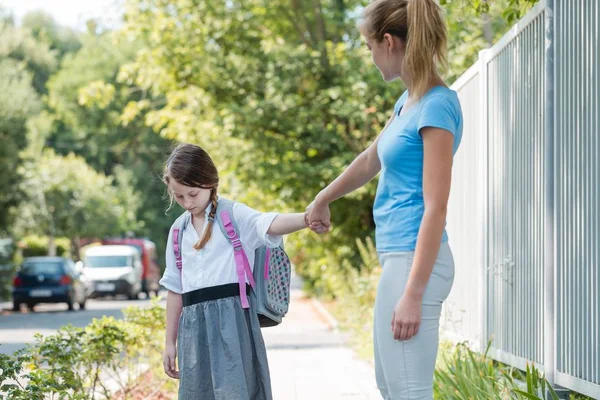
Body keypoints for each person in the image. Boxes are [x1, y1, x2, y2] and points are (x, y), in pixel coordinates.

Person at [306, 0, 463, 398]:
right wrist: (324, 198)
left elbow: (436, 206)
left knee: (409, 391)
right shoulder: (408, 102)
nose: (370, 56)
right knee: (390, 387)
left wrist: (413, 293)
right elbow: (371, 158)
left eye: (369, 46)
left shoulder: (437, 106)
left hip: (416, 263)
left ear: (389, 42)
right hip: (400, 259)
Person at [159, 143, 307, 400]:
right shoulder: (178, 231)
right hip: (193, 329)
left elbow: (269, 223)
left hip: (232, 323)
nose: (187, 202)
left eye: (192, 194)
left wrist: (307, 218)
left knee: (237, 392)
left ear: (209, 182)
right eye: (179, 196)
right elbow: (175, 290)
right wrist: (169, 343)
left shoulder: (233, 215)